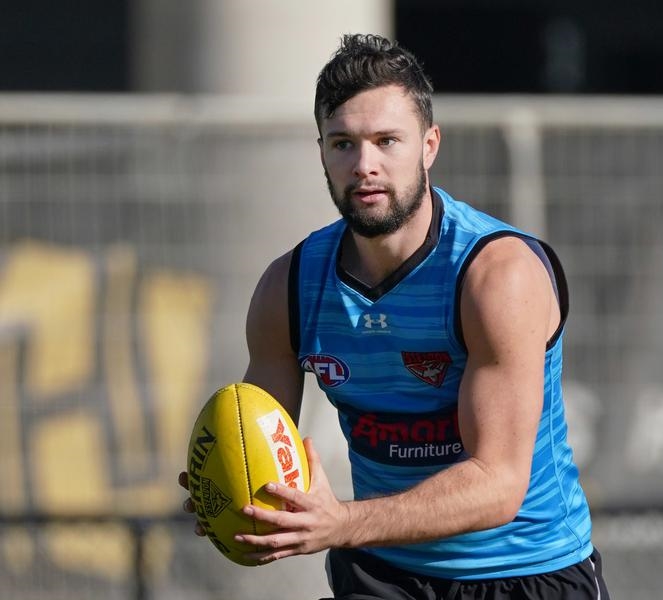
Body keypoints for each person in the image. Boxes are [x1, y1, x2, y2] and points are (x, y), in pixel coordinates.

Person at [180, 33, 610, 600]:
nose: (365, 166)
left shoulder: (495, 275)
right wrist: (231, 491)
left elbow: (498, 485)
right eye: (343, 144)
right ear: (321, 152)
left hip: (524, 570)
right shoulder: (289, 288)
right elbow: (257, 446)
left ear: (429, 145)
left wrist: (341, 523)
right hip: (381, 573)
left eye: (387, 141)